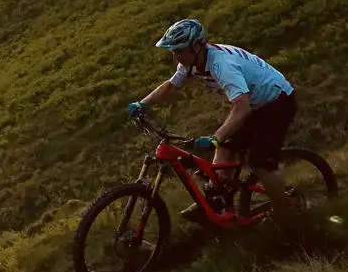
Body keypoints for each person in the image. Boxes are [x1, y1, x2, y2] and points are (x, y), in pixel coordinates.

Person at [127, 19, 297, 222]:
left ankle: (285, 212)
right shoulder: (193, 61)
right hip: (253, 104)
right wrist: (142, 103)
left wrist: (215, 137)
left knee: (261, 163)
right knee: (224, 150)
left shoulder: (221, 65)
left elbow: (241, 108)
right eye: (173, 51)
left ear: (196, 46)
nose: (175, 56)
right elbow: (172, 86)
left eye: (179, 50)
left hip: (276, 102)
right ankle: (217, 202)